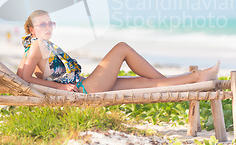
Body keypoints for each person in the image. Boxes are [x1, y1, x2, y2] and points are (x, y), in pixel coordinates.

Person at [17, 10, 220, 94]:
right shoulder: (36, 45)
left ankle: (195, 78)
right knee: (121, 47)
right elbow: (23, 77)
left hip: (83, 85)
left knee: (143, 83)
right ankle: (189, 79)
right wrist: (61, 89)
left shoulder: (38, 46)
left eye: (50, 23)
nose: (48, 27)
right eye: (42, 24)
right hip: (83, 90)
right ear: (32, 30)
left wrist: (52, 84)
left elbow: (30, 74)